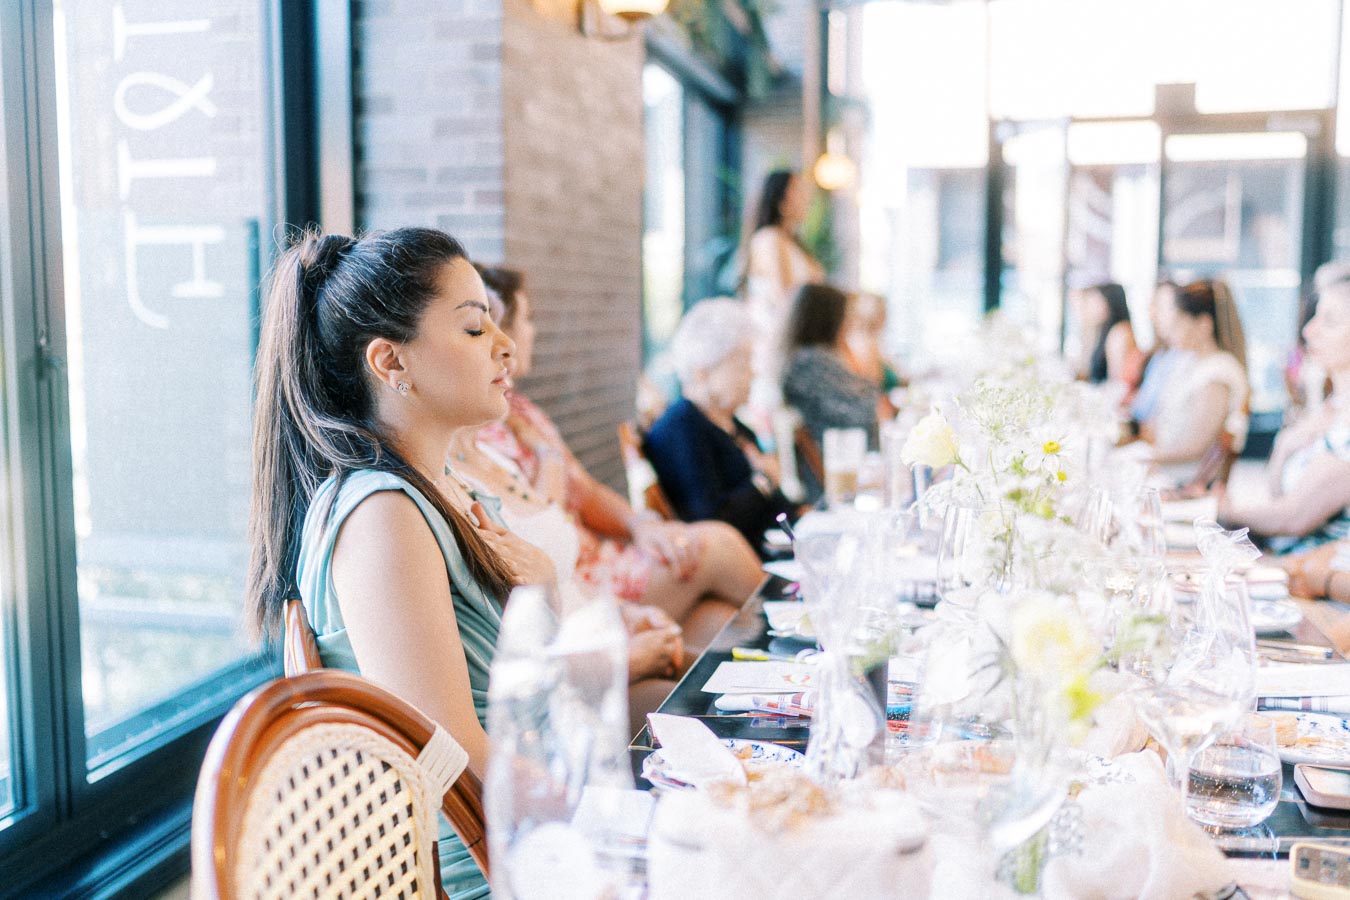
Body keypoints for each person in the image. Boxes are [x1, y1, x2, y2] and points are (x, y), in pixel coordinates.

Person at [247, 228, 555, 898]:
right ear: (390, 363)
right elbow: (452, 754)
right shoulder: (380, 514)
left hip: (530, 827)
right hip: (489, 866)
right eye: (474, 329)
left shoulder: (444, 491)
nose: (503, 347)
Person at [472, 264, 763, 650]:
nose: (528, 333)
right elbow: (541, 532)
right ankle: (807, 635)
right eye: (526, 320)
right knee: (720, 544)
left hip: (602, 559)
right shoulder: (479, 433)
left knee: (720, 622)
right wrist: (547, 457)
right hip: (574, 583)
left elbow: (587, 492)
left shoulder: (523, 411)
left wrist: (640, 524)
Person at [643, 299, 798, 554]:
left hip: (772, 553)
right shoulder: (681, 428)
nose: (753, 373)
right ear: (703, 370)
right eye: (743, 363)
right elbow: (710, 522)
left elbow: (779, 509)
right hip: (741, 566)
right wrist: (763, 483)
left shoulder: (735, 425)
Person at [1219, 275, 1350, 553]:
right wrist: (1284, 445)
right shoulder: (1331, 409)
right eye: (1314, 317)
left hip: (1311, 584)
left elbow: (1292, 518)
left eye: (1330, 321)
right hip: (1282, 567)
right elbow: (1278, 497)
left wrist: (1222, 510)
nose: (1309, 330)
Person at [1140, 279, 1249, 485]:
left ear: (1203, 325)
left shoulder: (1218, 372)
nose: (1170, 331)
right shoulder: (1189, 361)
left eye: (1178, 323)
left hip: (1181, 483)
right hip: (1166, 472)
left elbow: (1195, 448)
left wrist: (1142, 459)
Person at [780, 283, 880, 501]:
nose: (848, 323)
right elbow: (866, 409)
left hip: (845, 465)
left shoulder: (819, 357)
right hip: (835, 473)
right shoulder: (810, 362)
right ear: (828, 318)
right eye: (845, 315)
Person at [741, 169, 825, 422]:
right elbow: (785, 299)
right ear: (780, 199)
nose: (805, 199)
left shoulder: (793, 243)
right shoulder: (769, 240)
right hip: (780, 347)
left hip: (798, 347)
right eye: (797, 191)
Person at [1128, 281, 1181, 431]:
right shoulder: (1159, 354)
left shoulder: (1181, 359)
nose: (1152, 314)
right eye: (1153, 306)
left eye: (1162, 307)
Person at [842, 291, 902, 421]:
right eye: (884, 312)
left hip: (883, 414)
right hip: (880, 418)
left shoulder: (872, 342)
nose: (886, 317)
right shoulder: (866, 344)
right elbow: (873, 388)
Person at [1072, 282, 1141, 387]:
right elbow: (1084, 372)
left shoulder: (1120, 332)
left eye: (1094, 302)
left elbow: (1116, 384)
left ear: (1109, 303)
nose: (1089, 309)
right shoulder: (1101, 331)